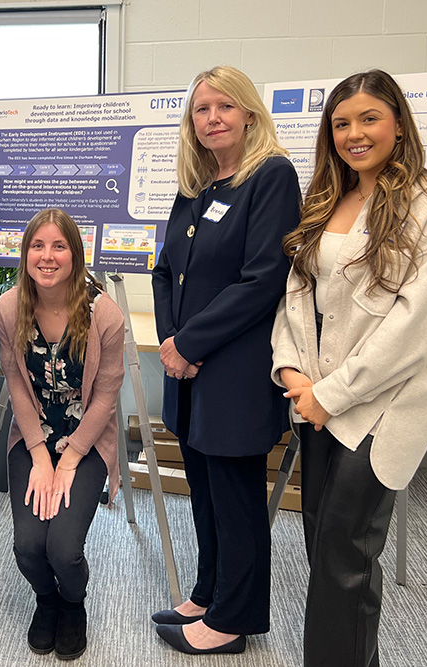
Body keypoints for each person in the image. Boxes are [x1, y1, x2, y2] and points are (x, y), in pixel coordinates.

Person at [271, 70, 427, 667]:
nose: (354, 134)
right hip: (318, 402)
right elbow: (296, 294)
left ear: (399, 123)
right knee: (322, 549)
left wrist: (332, 392)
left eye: (368, 118)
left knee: (344, 556)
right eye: (340, 123)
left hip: (378, 407)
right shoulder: (328, 200)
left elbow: (416, 329)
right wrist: (291, 371)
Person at [150, 65, 301, 655]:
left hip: (234, 370)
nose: (211, 118)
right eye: (200, 110)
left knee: (236, 497)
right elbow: (166, 271)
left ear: (248, 114)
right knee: (204, 490)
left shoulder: (271, 177)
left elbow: (264, 279)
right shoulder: (198, 185)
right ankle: (209, 590)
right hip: (189, 370)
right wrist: (172, 343)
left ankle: (233, 620)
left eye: (223, 107)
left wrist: (189, 344)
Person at [0, 208, 125, 661]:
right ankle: (46, 601)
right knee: (29, 548)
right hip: (33, 437)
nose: (47, 256)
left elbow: (106, 397)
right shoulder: (8, 308)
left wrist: (68, 460)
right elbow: (15, 383)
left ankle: (72, 605)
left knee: (64, 550)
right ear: (25, 253)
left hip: (85, 441)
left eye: (58, 246)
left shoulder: (104, 314)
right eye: (37, 245)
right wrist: (41, 457)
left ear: (75, 253)